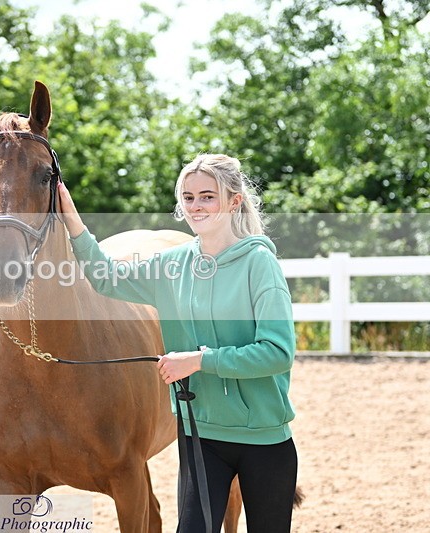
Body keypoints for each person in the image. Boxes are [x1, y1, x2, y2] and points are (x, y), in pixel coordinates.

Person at [57, 153, 298, 533]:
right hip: (201, 437)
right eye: (188, 197)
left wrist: (200, 361)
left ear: (234, 201)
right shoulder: (172, 265)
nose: (196, 206)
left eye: (207, 196)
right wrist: (72, 219)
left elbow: (278, 353)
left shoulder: (259, 263)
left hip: (263, 442)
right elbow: (105, 277)